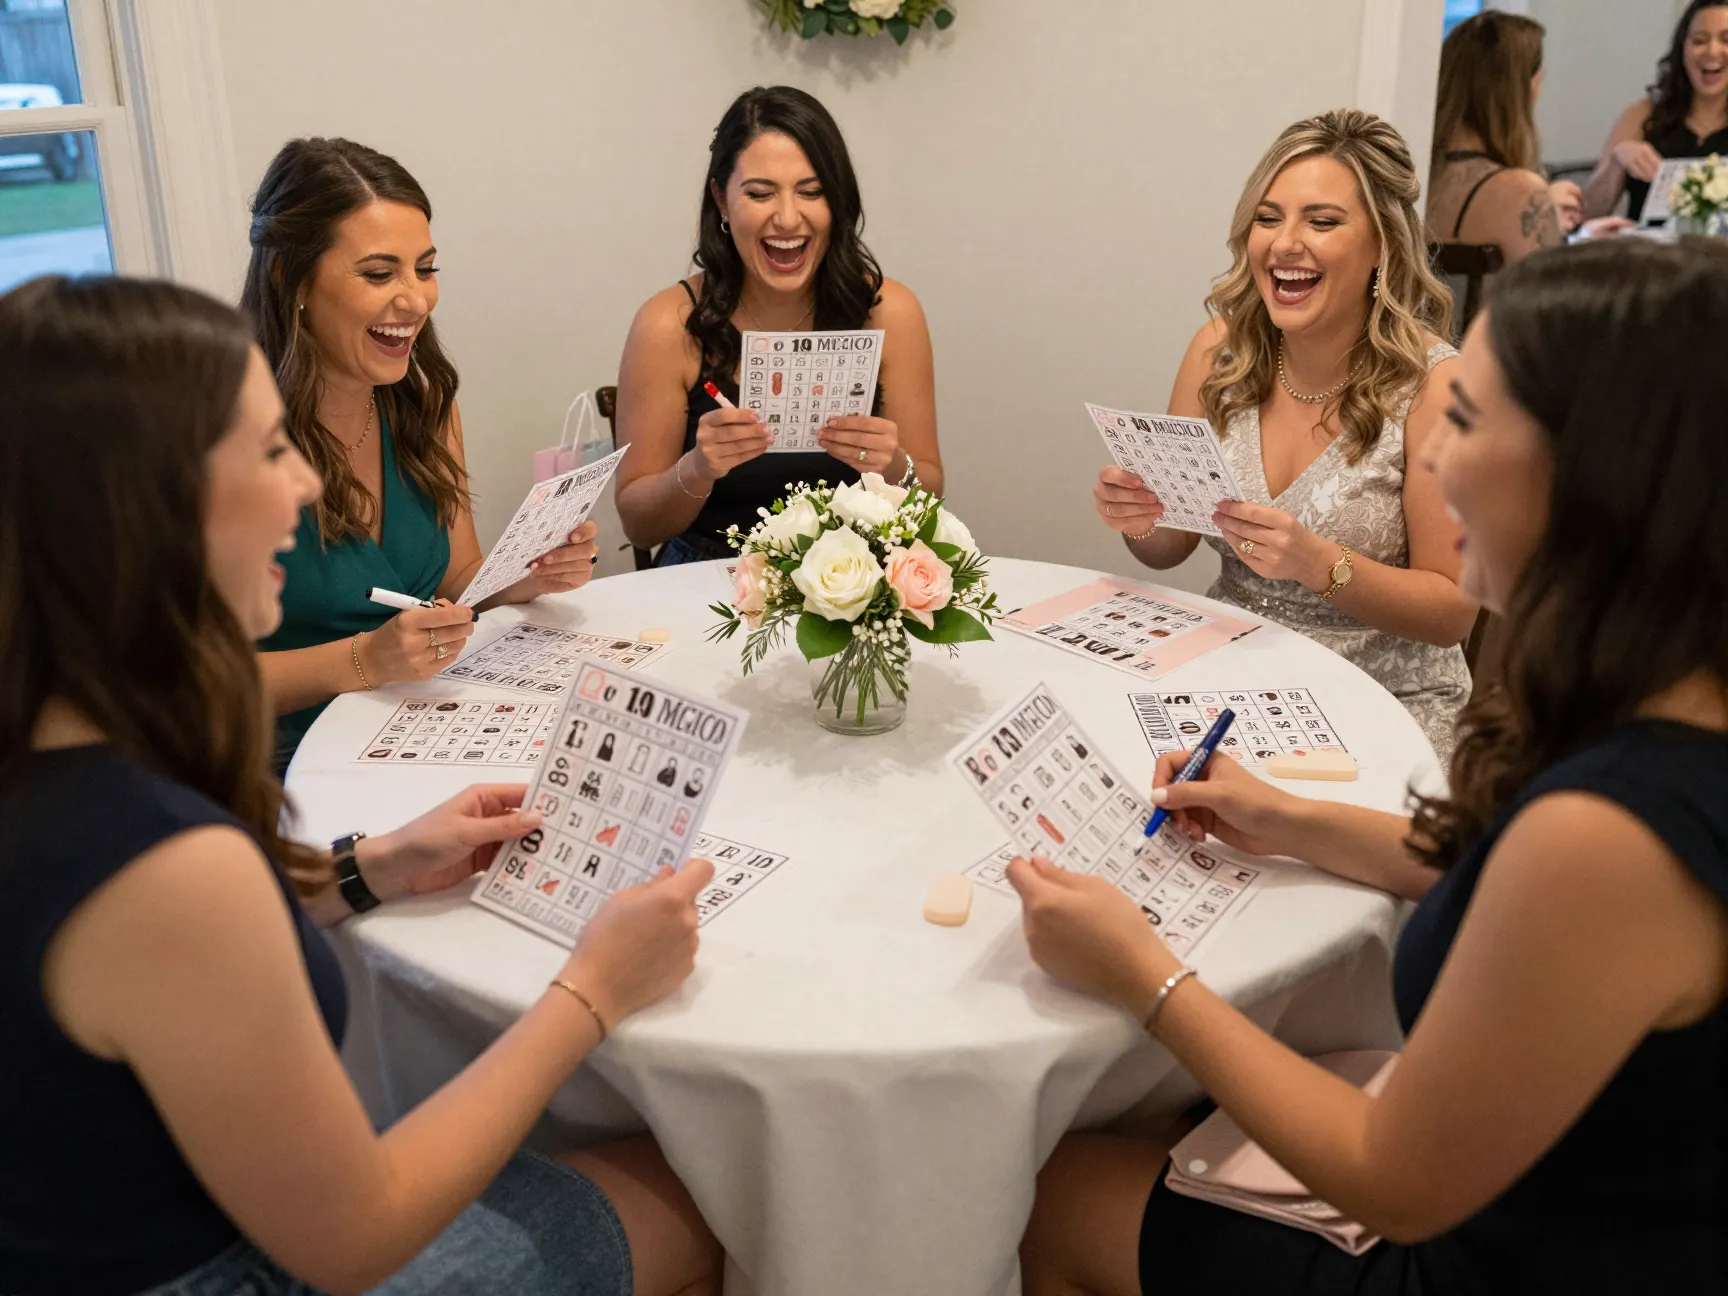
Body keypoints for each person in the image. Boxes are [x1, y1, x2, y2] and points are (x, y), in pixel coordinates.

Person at [1015, 237, 1728, 1295]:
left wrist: (1143, 974)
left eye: (1471, 422)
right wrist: (1289, 816)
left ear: (1596, 476)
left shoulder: (1611, 832)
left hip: (1495, 1258)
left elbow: (1393, 1181)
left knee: (1053, 1191)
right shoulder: (1669, 693)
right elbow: (1487, 874)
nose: (1431, 462)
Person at [0, 276, 722, 1295]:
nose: (301, 486)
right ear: (142, 509)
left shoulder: (53, 746)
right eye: (266, 450)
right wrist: (593, 993)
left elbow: (149, 975)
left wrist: (369, 868)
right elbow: (355, 1237)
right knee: (706, 1188)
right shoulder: (162, 860)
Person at [1093, 111, 1476, 760]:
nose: (1285, 244)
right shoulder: (1219, 351)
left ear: (1383, 244)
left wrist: (1316, 564)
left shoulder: (1437, 386)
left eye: (1322, 222)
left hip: (1385, 700)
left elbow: (1452, 613)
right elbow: (1167, 548)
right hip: (1231, 676)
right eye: (1269, 219)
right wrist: (1139, 517)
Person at [242, 138, 601, 769]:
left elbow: (457, 577)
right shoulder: (224, 436)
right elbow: (185, 684)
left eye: (425, 269)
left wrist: (526, 575)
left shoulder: (425, 405)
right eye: (379, 274)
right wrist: (363, 661)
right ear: (289, 277)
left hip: (419, 731)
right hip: (280, 768)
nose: (416, 300)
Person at [614, 86, 943, 566]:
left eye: (812, 192)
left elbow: (928, 496)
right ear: (721, 200)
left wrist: (890, 465)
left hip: (854, 570)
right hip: (706, 573)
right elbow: (639, 523)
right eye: (760, 193)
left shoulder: (890, 310)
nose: (788, 219)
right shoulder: (669, 323)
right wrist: (699, 468)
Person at [1428, 12, 1630, 260]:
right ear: (1519, 92)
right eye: (1539, 81)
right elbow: (1546, 292)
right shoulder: (1521, 192)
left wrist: (1571, 231)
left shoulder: (1411, 172)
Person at [1583, 0, 1728, 221]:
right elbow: (1587, 214)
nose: (1712, 51)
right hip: (1647, 253)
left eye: (1726, 40)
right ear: (1682, 49)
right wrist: (1617, 160)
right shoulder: (1643, 114)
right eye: (1699, 40)